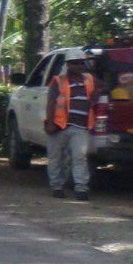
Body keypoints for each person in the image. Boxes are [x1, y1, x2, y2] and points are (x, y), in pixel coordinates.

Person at [44, 54, 99, 202]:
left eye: (82, 63)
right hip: (59, 126)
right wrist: (50, 123)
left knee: (79, 157)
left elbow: (101, 86)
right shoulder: (58, 81)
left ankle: (81, 188)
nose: (79, 66)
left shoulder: (89, 79)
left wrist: (96, 95)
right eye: (76, 63)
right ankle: (57, 187)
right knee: (56, 158)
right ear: (68, 65)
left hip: (80, 126)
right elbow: (51, 103)